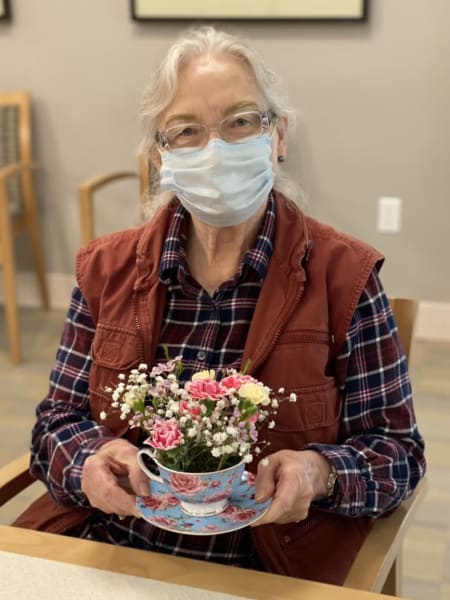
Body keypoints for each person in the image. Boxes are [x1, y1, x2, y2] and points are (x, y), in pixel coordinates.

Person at [15, 26, 426, 585]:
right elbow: (55, 425)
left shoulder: (343, 278)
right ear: (160, 157)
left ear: (278, 136)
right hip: (113, 553)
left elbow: (398, 453)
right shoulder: (105, 271)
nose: (216, 149)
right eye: (186, 131)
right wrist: (87, 461)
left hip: (266, 570)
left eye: (241, 121)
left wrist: (322, 471)